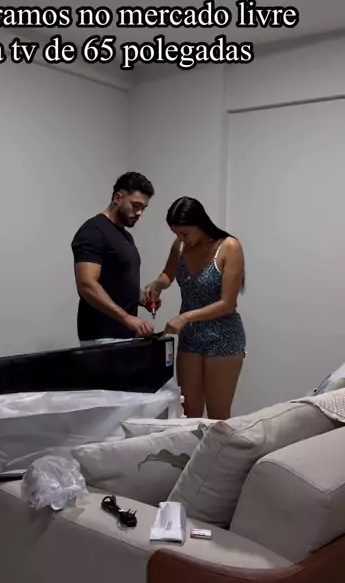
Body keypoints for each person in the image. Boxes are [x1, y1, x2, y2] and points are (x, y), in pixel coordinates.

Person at [144, 196, 246, 419]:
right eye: (176, 234)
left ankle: (218, 445)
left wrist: (185, 317)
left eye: (185, 233)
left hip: (223, 336)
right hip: (190, 338)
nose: (181, 239)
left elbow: (226, 304)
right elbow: (168, 274)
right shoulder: (180, 245)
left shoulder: (229, 247)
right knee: (188, 411)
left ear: (200, 224)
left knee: (218, 416)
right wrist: (157, 284)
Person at [72, 172, 155, 344]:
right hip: (102, 336)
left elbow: (118, 281)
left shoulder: (126, 236)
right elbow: (86, 284)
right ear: (118, 198)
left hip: (125, 335)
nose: (139, 213)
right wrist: (126, 318)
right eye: (136, 205)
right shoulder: (93, 231)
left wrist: (142, 298)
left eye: (144, 208)